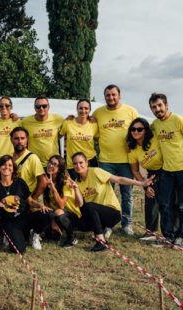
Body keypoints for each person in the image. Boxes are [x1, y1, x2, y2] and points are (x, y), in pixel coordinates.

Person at [72, 152, 153, 251]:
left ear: (87, 163)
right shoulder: (77, 181)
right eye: (75, 163)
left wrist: (141, 183)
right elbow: (80, 204)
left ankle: (101, 242)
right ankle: (100, 229)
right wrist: (75, 189)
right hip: (97, 214)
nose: (78, 166)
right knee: (81, 222)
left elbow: (119, 179)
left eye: (81, 162)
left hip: (112, 213)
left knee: (90, 206)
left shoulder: (96, 172)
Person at [93, 84, 139, 235]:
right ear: (104, 97)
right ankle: (109, 224)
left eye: (113, 95)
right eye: (108, 95)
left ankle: (126, 224)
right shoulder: (98, 113)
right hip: (106, 161)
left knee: (127, 195)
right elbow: (88, 127)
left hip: (126, 161)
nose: (111, 97)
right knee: (108, 195)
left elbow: (140, 130)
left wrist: (133, 145)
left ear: (119, 95)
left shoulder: (130, 111)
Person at [0, 155, 53, 253]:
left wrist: (40, 205)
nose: (7, 167)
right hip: (10, 222)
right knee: (18, 250)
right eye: (4, 164)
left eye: (10, 165)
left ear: (13, 169)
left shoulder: (20, 182)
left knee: (49, 214)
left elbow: (30, 201)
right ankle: (8, 234)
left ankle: (35, 234)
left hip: (25, 216)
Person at [149, 93, 183, 247]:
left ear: (167, 105)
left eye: (159, 105)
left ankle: (181, 237)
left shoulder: (178, 120)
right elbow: (142, 130)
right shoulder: (156, 124)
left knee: (181, 205)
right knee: (164, 204)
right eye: (154, 107)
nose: (157, 109)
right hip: (167, 172)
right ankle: (168, 236)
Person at [127, 117, 163, 240]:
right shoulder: (132, 149)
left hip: (167, 171)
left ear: (146, 130)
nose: (136, 131)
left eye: (139, 129)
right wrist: (145, 185)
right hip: (151, 175)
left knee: (169, 203)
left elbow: (156, 124)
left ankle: (174, 233)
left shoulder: (154, 138)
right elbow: (135, 171)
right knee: (150, 198)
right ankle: (150, 232)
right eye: (133, 129)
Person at [43, 155, 84, 248]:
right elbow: (46, 203)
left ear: (60, 168)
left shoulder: (66, 181)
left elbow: (61, 205)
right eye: (50, 162)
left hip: (73, 216)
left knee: (58, 211)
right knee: (51, 236)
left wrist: (53, 189)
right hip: (57, 215)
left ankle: (72, 238)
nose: (50, 165)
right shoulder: (46, 180)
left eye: (54, 164)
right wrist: (52, 220)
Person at [59, 98, 99, 180]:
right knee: (76, 188)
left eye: (86, 108)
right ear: (77, 109)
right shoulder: (68, 123)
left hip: (90, 161)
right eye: (81, 108)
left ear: (90, 110)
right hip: (73, 163)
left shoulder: (93, 124)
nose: (83, 111)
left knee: (91, 189)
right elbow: (58, 136)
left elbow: (100, 140)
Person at [22, 96, 63, 169]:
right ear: (34, 108)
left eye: (44, 106)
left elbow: (68, 127)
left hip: (53, 163)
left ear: (49, 107)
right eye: (38, 106)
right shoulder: (25, 121)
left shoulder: (57, 119)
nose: (41, 108)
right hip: (34, 163)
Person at [0, 96, 22, 172]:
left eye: (7, 105)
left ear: (11, 107)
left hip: (14, 160)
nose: (4, 107)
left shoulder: (18, 122)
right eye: (1, 105)